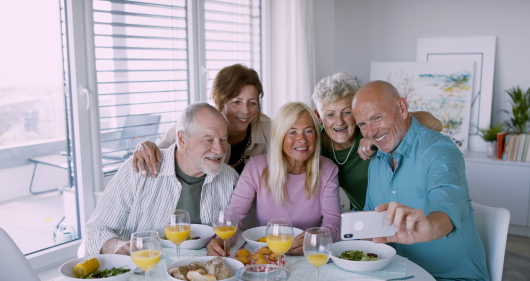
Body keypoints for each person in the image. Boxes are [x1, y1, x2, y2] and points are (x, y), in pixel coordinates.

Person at [352, 80, 491, 281]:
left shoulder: (438, 150)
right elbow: (372, 229)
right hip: (400, 279)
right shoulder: (377, 163)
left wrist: (429, 227)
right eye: (362, 124)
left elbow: (446, 203)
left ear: (402, 108)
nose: (370, 131)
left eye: (377, 118)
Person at [85, 103, 239, 255]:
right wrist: (117, 245)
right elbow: (96, 229)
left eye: (223, 140)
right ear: (182, 139)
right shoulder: (138, 170)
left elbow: (233, 229)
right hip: (144, 271)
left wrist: (220, 240)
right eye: (208, 140)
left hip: (201, 274)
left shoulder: (229, 178)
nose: (219, 150)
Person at [207, 102, 341, 256]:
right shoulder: (256, 167)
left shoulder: (328, 169)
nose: (302, 139)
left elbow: (333, 220)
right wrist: (220, 239)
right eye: (292, 132)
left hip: (307, 255)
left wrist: (318, 238)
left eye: (309, 131)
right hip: (265, 254)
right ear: (279, 135)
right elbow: (235, 216)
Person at [311, 71, 443, 210]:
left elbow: (435, 124)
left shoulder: (372, 129)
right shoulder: (314, 142)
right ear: (318, 116)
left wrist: (372, 137)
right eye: (330, 114)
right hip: (364, 217)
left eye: (347, 112)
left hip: (404, 211)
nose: (339, 122)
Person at [132, 64, 270, 177]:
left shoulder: (269, 128)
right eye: (236, 102)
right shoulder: (198, 121)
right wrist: (145, 146)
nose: (245, 111)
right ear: (219, 102)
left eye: (252, 103)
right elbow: (159, 152)